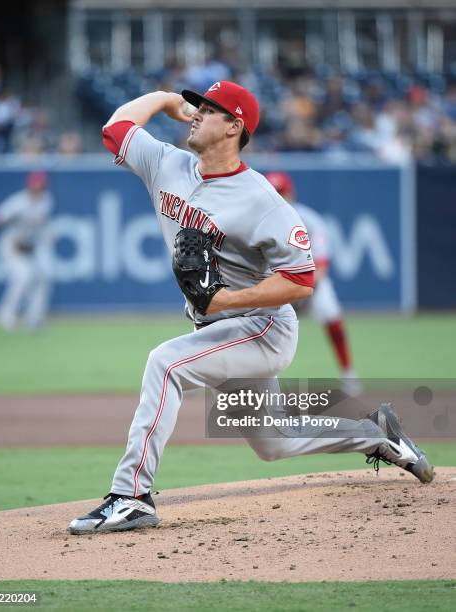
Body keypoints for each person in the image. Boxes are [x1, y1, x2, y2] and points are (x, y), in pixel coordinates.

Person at [67, 81, 433, 535]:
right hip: (216, 330)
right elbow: (115, 128)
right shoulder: (166, 164)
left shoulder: (260, 199)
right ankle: (377, 434)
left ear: (234, 127)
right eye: (196, 105)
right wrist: (165, 101)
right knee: (274, 443)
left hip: (261, 329)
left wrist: (230, 300)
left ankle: (132, 496)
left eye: (208, 109)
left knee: (165, 364)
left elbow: (301, 281)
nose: (197, 112)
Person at [265, 171, 362, 396]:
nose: (278, 197)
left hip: (310, 284)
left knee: (331, 313)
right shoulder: (259, 221)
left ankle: (348, 373)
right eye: (273, 192)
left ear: (291, 193)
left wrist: (300, 292)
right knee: (256, 326)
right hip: (275, 285)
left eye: (281, 192)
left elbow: (321, 265)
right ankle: (259, 382)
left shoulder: (309, 219)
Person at [0, 170, 54, 330]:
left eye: (40, 186)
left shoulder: (46, 201)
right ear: (29, 186)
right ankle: (6, 315)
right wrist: (12, 232)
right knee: (23, 276)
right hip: (11, 246)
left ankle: (35, 318)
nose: (38, 189)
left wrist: (47, 236)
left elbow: (42, 225)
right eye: (35, 186)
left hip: (30, 247)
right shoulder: (18, 202)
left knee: (42, 278)